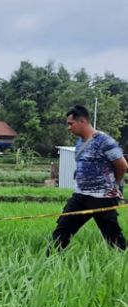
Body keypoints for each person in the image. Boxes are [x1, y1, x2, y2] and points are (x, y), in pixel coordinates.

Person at [50, 105, 127, 251]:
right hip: (80, 196)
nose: (69, 127)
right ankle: (50, 260)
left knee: (113, 238)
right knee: (62, 230)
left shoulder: (105, 141)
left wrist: (113, 185)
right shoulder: (80, 142)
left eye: (70, 124)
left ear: (82, 121)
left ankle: (122, 262)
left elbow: (122, 165)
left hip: (103, 198)